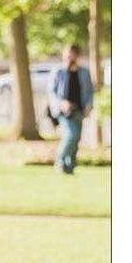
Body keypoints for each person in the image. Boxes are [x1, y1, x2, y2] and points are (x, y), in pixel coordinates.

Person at [49, 44, 93, 175]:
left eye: (71, 55)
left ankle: (69, 167)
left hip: (79, 110)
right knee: (70, 135)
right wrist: (61, 102)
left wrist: (89, 105)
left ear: (76, 56)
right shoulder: (58, 72)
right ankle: (59, 161)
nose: (68, 57)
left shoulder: (84, 72)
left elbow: (89, 91)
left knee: (76, 138)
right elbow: (51, 92)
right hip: (64, 111)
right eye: (66, 55)